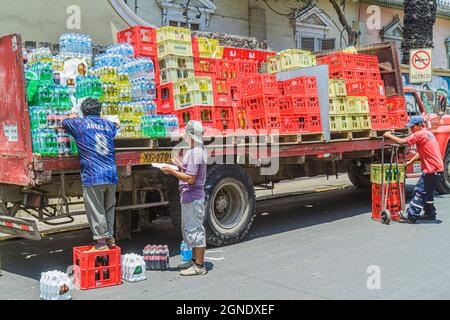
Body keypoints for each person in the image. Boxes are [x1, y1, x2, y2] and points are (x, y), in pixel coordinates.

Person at [62, 98, 119, 251]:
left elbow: (64, 122)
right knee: (108, 208)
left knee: (96, 209)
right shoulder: (108, 125)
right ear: (99, 111)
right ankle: (110, 238)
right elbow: (116, 127)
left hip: (94, 174)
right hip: (111, 173)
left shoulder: (80, 123)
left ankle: (100, 243)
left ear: (83, 111)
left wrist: (73, 116)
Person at [160, 121, 208, 276]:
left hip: (193, 197)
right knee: (191, 230)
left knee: (195, 231)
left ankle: (199, 266)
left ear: (190, 135)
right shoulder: (196, 150)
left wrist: (171, 172)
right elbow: (189, 172)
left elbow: (190, 179)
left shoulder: (196, 152)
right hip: (190, 196)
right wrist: (179, 165)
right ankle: (194, 261)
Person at [384, 116, 444, 224]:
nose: (411, 130)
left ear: (418, 126)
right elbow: (420, 153)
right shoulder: (428, 133)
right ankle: (430, 214)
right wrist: (410, 162)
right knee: (428, 192)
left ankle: (411, 216)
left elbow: (402, 141)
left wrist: (388, 135)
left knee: (419, 191)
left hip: (432, 170)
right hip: (437, 170)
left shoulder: (419, 134)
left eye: (412, 127)